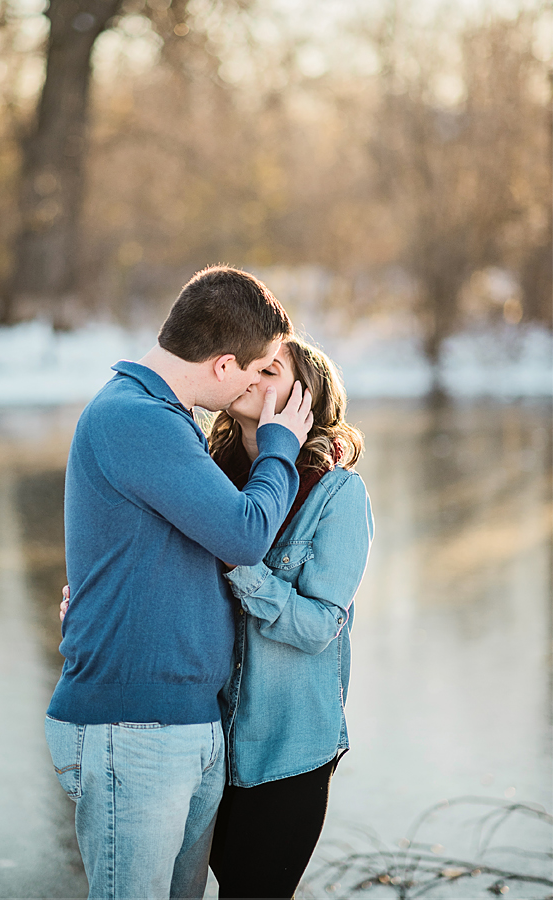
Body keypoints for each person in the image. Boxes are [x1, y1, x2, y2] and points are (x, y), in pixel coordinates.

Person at [46, 265, 314, 900]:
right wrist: (278, 445)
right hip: (133, 731)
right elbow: (246, 534)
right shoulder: (133, 418)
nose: (258, 387)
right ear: (223, 367)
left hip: (182, 727)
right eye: (255, 373)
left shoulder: (166, 419)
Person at [206, 337, 370, 898]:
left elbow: (321, 625)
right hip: (204, 745)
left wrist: (242, 563)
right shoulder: (206, 478)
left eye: (269, 369)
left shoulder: (339, 496)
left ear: (304, 399)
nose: (250, 373)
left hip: (288, 753)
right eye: (248, 364)